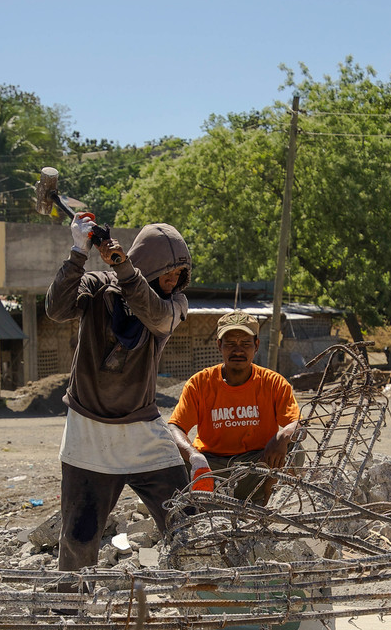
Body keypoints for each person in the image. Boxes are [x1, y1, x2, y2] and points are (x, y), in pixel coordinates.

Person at [45, 214, 192, 572]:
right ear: (148, 265)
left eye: (178, 274)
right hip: (88, 433)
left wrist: (126, 269)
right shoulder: (97, 286)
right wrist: (78, 253)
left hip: (142, 432)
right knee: (78, 538)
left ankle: (202, 595)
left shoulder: (174, 306)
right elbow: (56, 309)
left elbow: (153, 315)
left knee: (187, 522)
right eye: (165, 272)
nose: (172, 280)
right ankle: (72, 615)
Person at [167, 310, 300, 505]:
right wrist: (194, 456)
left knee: (295, 448)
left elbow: (298, 423)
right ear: (219, 345)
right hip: (212, 468)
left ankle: (268, 507)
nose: (238, 350)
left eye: (245, 343)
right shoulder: (200, 383)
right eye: (230, 343)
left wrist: (282, 436)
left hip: (257, 467)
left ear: (256, 345)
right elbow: (174, 427)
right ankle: (199, 507)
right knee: (169, 454)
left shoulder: (273, 382)